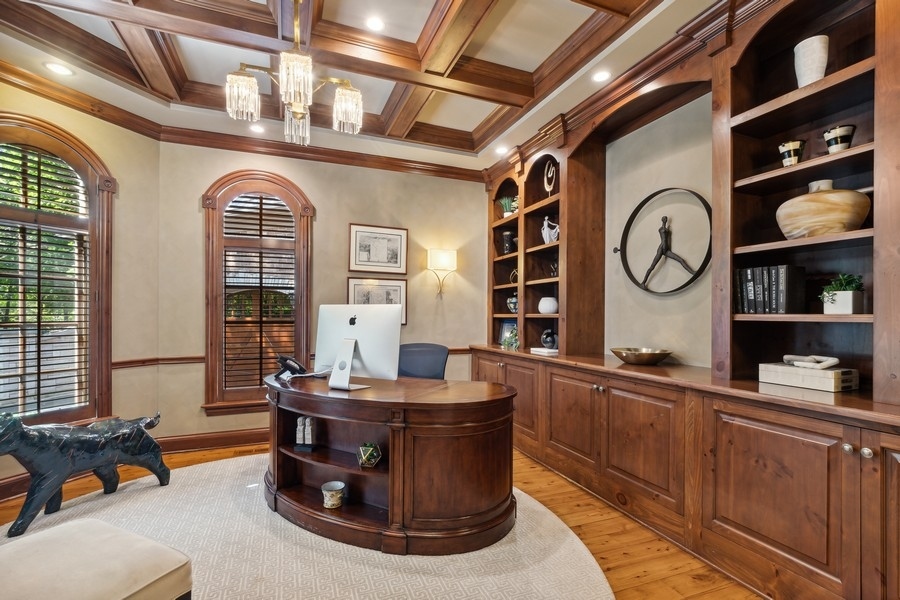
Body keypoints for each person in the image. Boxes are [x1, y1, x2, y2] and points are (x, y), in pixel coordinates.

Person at [640, 216, 694, 289]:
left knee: (681, 260)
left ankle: (692, 272)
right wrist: (665, 229)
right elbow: (663, 238)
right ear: (662, 220)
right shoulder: (660, 229)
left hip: (667, 250)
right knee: (652, 266)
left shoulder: (667, 229)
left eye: (666, 218)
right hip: (661, 249)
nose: (665, 219)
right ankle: (643, 282)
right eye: (664, 218)